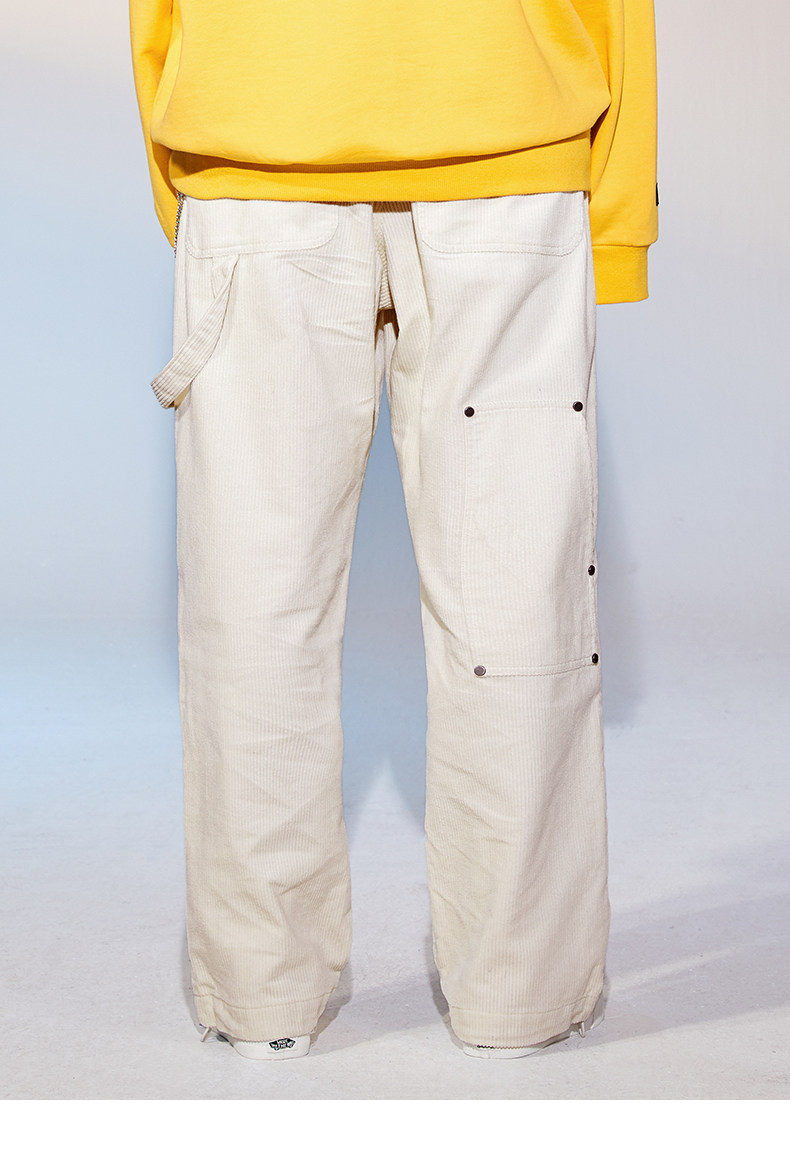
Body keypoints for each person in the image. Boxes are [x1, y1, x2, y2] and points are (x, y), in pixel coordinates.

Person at [129, 0, 658, 1061]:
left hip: (264, 133)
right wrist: (617, 216)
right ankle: (521, 995)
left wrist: (185, 159)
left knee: (256, 610)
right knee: (516, 601)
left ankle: (262, 996)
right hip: (503, 134)